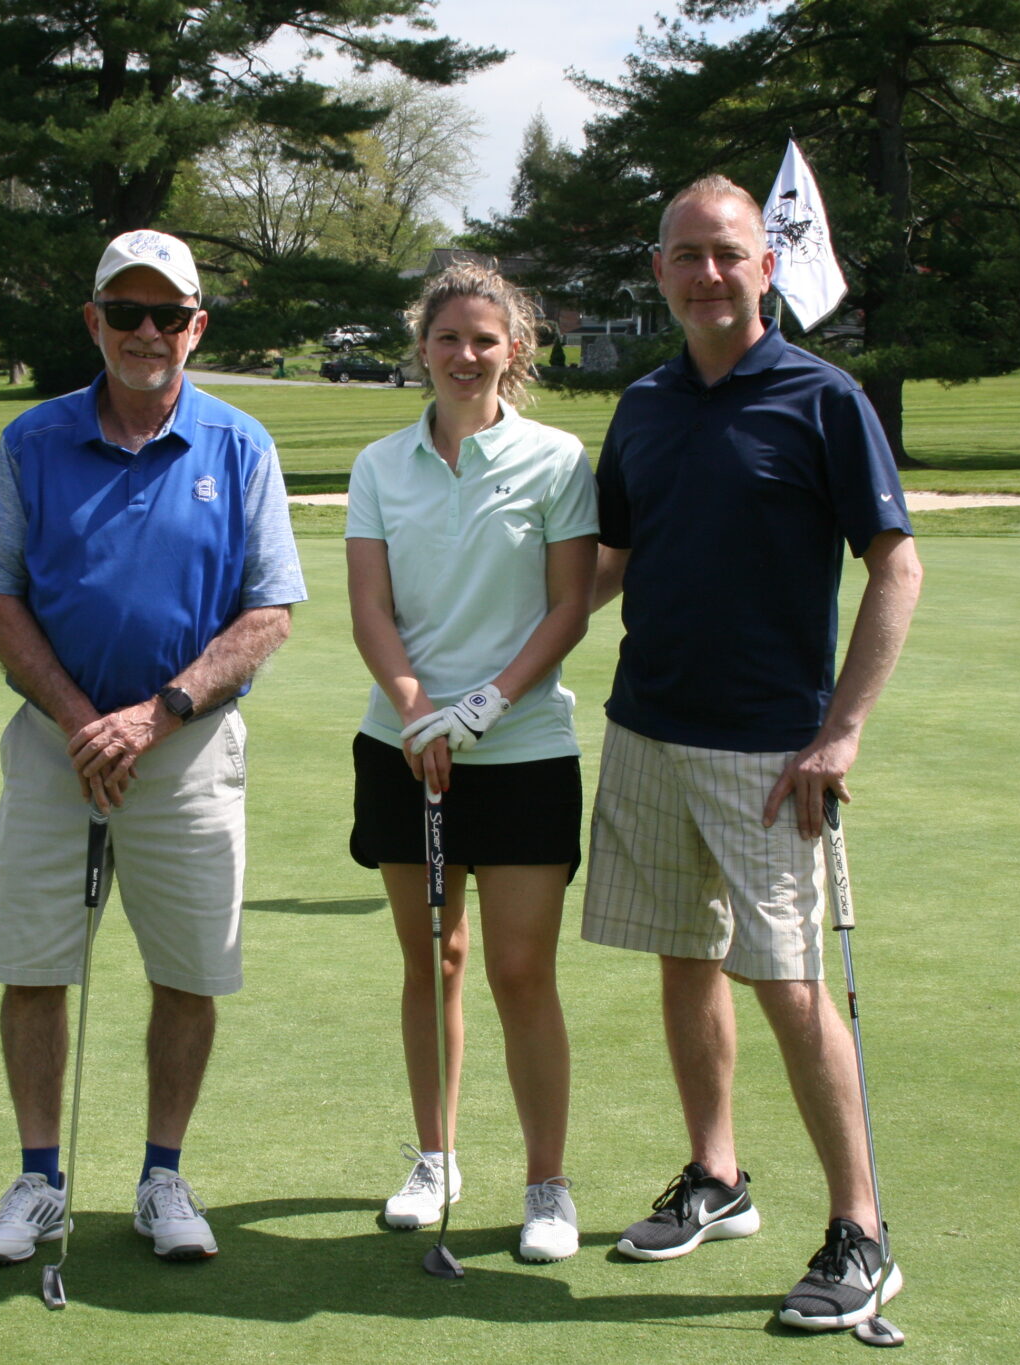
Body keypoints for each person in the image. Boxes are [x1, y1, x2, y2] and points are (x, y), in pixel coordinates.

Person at [584, 175, 923, 1331]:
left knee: (783, 983)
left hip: (769, 750)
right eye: (685, 255)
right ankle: (715, 1178)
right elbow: (609, 564)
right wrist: (497, 659)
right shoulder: (639, 405)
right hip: (645, 728)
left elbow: (897, 566)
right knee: (682, 957)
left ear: (764, 266)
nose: (706, 273)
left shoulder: (823, 400)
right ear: (660, 273)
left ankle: (861, 1231)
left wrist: (842, 730)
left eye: (726, 253)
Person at [0, 230, 306, 1267]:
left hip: (187, 747)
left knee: (188, 972)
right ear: (93, 322)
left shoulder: (238, 444)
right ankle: (38, 1178)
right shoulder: (31, 441)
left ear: (196, 327)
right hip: (55, 746)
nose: (146, 333)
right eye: (126, 313)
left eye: (167, 316)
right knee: (33, 966)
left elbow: (267, 614)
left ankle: (162, 1175)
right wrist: (81, 720)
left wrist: (155, 715)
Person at [345, 263, 598, 1262]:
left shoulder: (554, 458)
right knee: (432, 961)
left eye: (483, 339)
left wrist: (480, 711)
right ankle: (435, 1157)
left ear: (513, 351)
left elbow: (568, 606)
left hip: (524, 748)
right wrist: (417, 713)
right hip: (402, 749)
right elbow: (370, 606)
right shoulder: (378, 465)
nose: (464, 355)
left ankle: (546, 1185)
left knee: (520, 969)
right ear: (422, 347)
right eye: (446, 337)